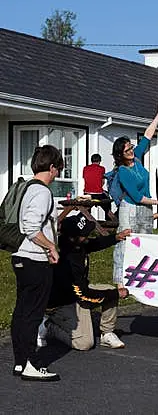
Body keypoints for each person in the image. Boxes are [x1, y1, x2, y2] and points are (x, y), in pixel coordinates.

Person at [11, 145, 64, 381]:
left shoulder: (24, 188)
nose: (57, 175)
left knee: (21, 311)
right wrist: (51, 246)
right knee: (33, 313)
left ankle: (20, 362)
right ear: (51, 167)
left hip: (19, 255)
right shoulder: (42, 192)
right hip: (35, 258)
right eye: (58, 170)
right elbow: (31, 228)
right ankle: (32, 362)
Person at [44, 214, 131, 350]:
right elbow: (84, 295)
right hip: (63, 303)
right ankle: (49, 326)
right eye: (84, 234)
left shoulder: (77, 245)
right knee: (85, 343)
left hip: (77, 292)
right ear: (73, 238)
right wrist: (115, 294)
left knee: (108, 289)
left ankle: (107, 333)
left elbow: (94, 244)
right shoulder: (67, 262)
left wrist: (116, 237)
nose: (88, 236)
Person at [111, 102, 158, 284]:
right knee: (126, 242)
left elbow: (147, 136)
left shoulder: (137, 159)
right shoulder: (122, 171)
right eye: (126, 150)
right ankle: (120, 280)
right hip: (131, 208)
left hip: (145, 208)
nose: (130, 151)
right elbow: (136, 196)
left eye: (130, 147)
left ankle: (141, 278)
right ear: (120, 154)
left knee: (145, 241)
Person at [82, 153, 111, 218]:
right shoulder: (102, 168)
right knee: (108, 201)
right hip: (98, 193)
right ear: (99, 161)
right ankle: (108, 219)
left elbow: (86, 179)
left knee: (86, 208)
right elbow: (102, 182)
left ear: (91, 160)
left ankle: (87, 219)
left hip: (87, 193)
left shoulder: (85, 168)